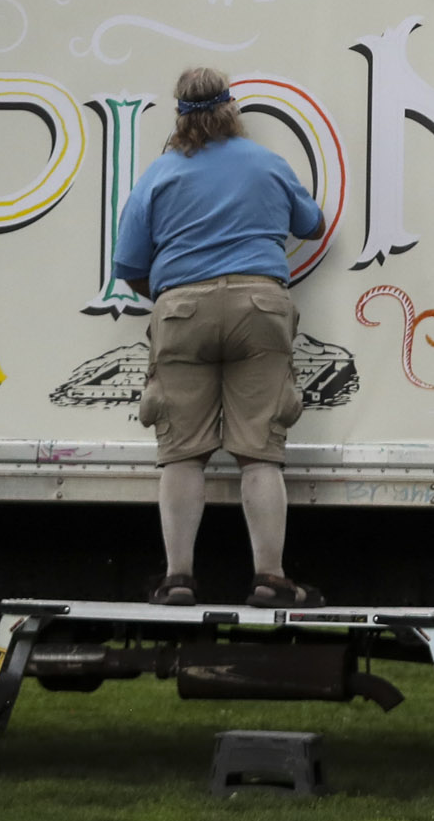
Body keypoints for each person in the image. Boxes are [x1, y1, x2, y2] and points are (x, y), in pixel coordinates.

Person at [113, 66, 327, 607]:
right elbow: (312, 225)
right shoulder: (266, 163)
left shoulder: (159, 173)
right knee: (260, 453)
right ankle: (270, 578)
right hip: (260, 304)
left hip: (181, 307)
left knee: (182, 454)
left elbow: (128, 263)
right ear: (232, 110)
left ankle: (178, 578)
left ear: (179, 115)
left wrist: (171, 298)